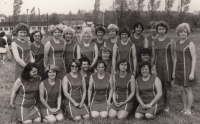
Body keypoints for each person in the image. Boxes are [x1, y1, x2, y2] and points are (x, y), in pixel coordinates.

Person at [172, 23, 196, 115]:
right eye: (181, 32)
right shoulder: (177, 43)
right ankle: (185, 108)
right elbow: (175, 58)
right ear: (178, 33)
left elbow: (194, 58)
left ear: (187, 33)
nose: (183, 33)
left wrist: (192, 73)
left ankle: (189, 109)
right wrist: (174, 71)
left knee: (187, 89)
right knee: (182, 89)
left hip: (187, 69)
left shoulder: (190, 43)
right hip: (178, 69)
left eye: (185, 32)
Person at [151, 21, 174, 112]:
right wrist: (152, 67)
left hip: (167, 66)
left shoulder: (170, 41)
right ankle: (160, 103)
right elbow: (153, 56)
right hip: (157, 65)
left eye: (163, 29)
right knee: (158, 85)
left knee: (166, 86)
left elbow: (173, 56)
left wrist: (173, 70)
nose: (161, 31)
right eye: (159, 29)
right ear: (157, 30)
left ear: (166, 30)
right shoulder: (154, 41)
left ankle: (167, 105)